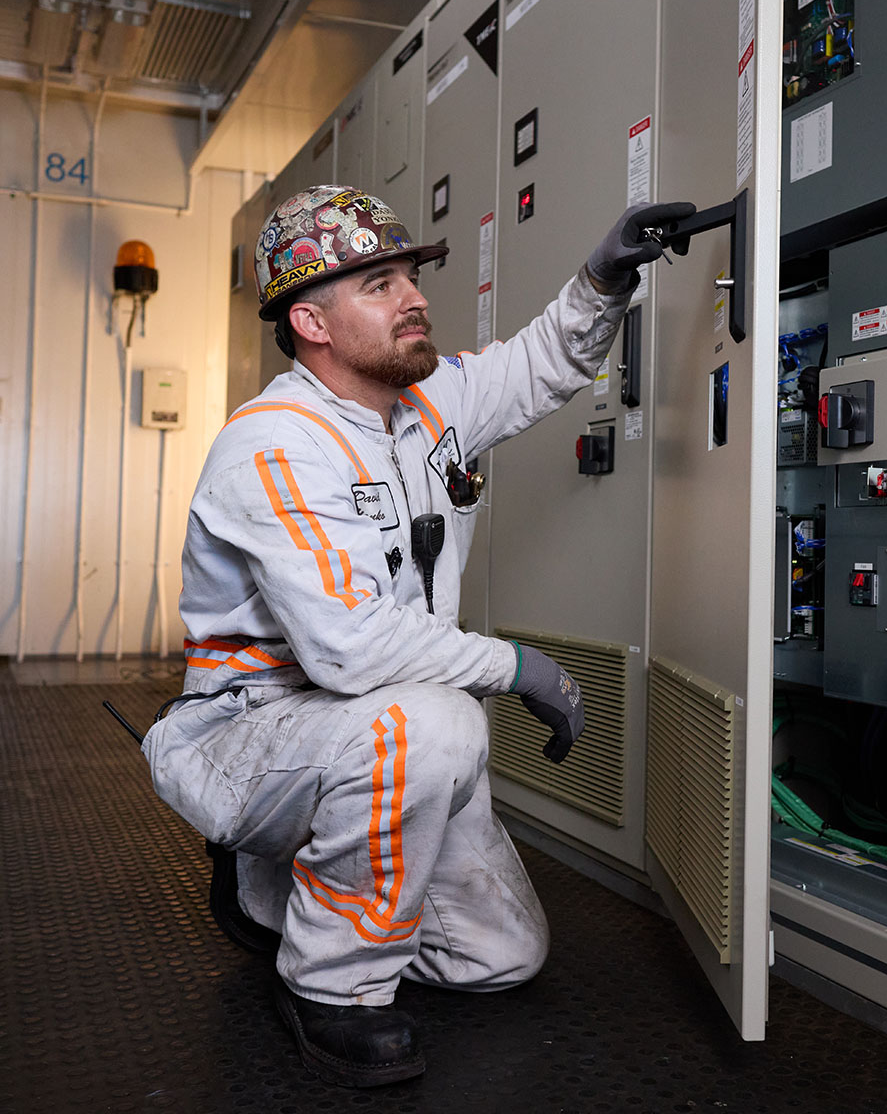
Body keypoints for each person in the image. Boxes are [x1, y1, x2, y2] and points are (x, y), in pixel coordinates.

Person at [141, 185, 695, 1088]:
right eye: (381, 283)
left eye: (410, 276)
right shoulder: (274, 443)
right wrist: (520, 668)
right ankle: (331, 989)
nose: (415, 297)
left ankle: (272, 894)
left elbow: (538, 365)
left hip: (378, 722)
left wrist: (602, 280)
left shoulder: (428, 402)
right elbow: (349, 648)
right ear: (312, 322)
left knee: (500, 958)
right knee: (437, 724)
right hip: (254, 729)